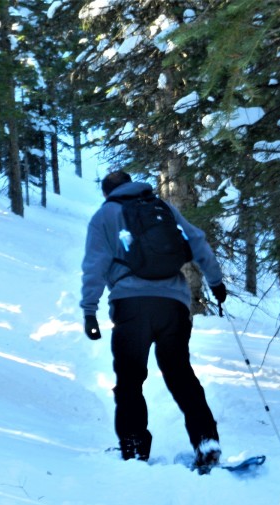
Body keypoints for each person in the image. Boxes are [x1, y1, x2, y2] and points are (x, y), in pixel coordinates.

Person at [80, 170, 228, 473]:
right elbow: (196, 240)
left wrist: (89, 310)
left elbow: (95, 264)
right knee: (180, 375)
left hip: (130, 306)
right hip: (172, 304)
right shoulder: (162, 207)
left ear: (107, 192)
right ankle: (206, 441)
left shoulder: (105, 215)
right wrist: (215, 282)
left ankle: (134, 447)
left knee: (130, 379)